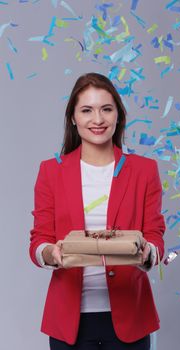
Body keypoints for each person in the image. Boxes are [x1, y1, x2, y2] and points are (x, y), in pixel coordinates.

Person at [29, 72, 166, 350]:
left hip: (130, 318)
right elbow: (38, 240)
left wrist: (147, 253)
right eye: (87, 110)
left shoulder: (144, 170)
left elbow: (155, 235)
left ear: (118, 114)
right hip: (69, 321)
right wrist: (50, 254)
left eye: (106, 109)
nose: (98, 119)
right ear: (73, 117)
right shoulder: (50, 171)